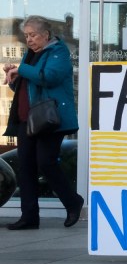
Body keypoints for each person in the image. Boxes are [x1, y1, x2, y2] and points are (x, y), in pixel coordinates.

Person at [2, 16, 84, 230]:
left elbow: (49, 77)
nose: (29, 39)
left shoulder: (58, 51)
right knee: (26, 166)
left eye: (33, 35)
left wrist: (21, 70)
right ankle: (29, 217)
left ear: (45, 35)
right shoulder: (30, 55)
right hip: (26, 119)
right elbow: (28, 87)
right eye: (27, 35)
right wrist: (14, 80)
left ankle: (72, 201)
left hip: (49, 119)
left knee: (46, 162)